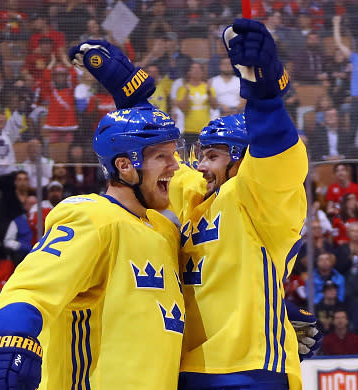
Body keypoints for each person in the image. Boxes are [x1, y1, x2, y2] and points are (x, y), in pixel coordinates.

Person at [71, 19, 320, 388]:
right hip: (188, 370)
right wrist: (135, 103)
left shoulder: (260, 196)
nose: (200, 165)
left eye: (214, 156)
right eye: (201, 155)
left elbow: (277, 155)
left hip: (249, 370)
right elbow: (160, 169)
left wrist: (265, 98)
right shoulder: (198, 199)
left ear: (242, 162)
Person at [0, 100, 185, 390]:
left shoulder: (165, 230)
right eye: (162, 156)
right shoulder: (92, 216)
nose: (175, 166)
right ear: (125, 166)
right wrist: (11, 345)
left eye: (174, 154)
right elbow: (28, 289)